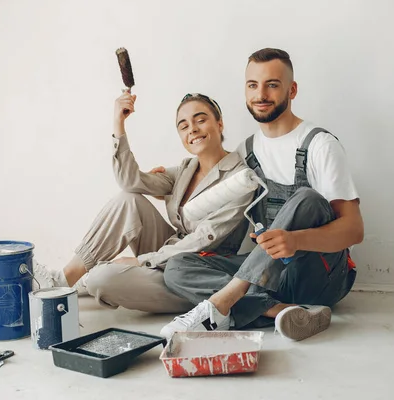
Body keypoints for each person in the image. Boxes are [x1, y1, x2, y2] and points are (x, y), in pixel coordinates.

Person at [160, 48, 364, 340]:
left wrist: (295, 240)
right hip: (268, 277)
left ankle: (221, 305)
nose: (261, 94)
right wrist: (168, 177)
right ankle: (279, 311)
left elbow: (354, 229)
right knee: (178, 267)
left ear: (291, 90)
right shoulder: (246, 151)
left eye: (272, 84)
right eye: (253, 85)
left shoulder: (319, 144)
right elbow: (209, 169)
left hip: (317, 273)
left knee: (307, 199)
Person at [33, 92, 254, 314]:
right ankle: (63, 280)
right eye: (183, 126)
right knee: (128, 199)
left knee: (101, 279)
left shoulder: (241, 178)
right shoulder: (185, 170)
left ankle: (89, 279)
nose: (192, 129)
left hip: (195, 272)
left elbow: (203, 239)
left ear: (220, 123)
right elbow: (130, 182)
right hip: (166, 255)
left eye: (200, 119)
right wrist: (119, 124)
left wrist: (142, 261)